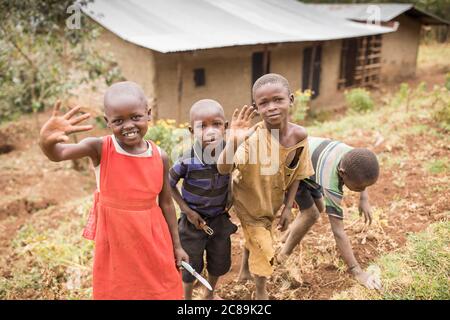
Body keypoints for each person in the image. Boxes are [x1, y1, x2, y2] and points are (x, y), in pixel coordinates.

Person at [38, 81, 188, 299]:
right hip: (117, 243)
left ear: (148, 114)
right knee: (119, 290)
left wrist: (177, 246)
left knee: (161, 290)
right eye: (118, 120)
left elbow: (166, 203)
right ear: (107, 122)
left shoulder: (160, 156)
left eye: (135, 117)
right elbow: (58, 154)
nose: (128, 125)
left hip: (153, 240)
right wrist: (46, 142)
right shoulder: (99, 148)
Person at [217, 73, 314, 299]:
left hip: (272, 202)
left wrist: (289, 207)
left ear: (290, 100)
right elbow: (223, 169)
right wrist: (233, 140)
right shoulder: (252, 137)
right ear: (256, 107)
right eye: (264, 103)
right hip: (249, 201)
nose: (271, 107)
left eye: (277, 100)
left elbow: (298, 173)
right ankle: (261, 294)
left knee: (256, 237)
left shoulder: (300, 136)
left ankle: (243, 273)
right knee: (264, 247)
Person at [278, 137, 382, 290]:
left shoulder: (352, 156)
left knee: (318, 208)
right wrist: (357, 271)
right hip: (289, 171)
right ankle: (283, 255)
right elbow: (338, 232)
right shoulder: (331, 182)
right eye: (359, 187)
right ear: (342, 174)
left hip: (310, 166)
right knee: (311, 214)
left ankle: (286, 237)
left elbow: (362, 171)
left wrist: (364, 198)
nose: (361, 189)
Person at [169, 99, 237, 300]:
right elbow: (168, 184)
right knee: (190, 264)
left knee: (219, 260)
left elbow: (236, 173)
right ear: (192, 131)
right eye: (202, 126)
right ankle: (187, 299)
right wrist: (187, 211)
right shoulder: (187, 159)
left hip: (219, 219)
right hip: (192, 222)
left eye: (216, 124)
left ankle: (209, 294)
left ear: (225, 127)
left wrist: (231, 192)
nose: (210, 131)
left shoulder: (230, 153)